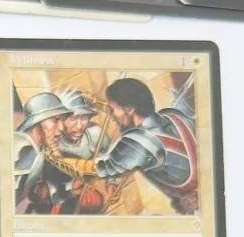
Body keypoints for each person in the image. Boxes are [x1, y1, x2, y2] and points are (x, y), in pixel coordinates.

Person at [43, 77, 199, 214]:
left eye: (113, 108)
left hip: (196, 208)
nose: (113, 113)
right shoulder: (172, 116)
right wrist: (98, 104)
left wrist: (55, 157)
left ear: (129, 108)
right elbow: (127, 115)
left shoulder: (137, 144)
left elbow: (92, 170)